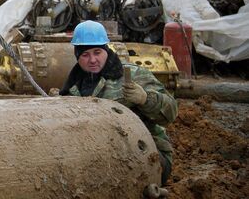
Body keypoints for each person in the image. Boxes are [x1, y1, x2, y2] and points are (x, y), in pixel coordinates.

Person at [59, 20, 178, 186]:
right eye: (85, 55)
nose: (92, 60)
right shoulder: (72, 86)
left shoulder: (133, 75)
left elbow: (171, 112)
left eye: (97, 52)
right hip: (97, 156)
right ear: (77, 56)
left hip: (147, 154)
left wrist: (146, 99)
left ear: (106, 50)